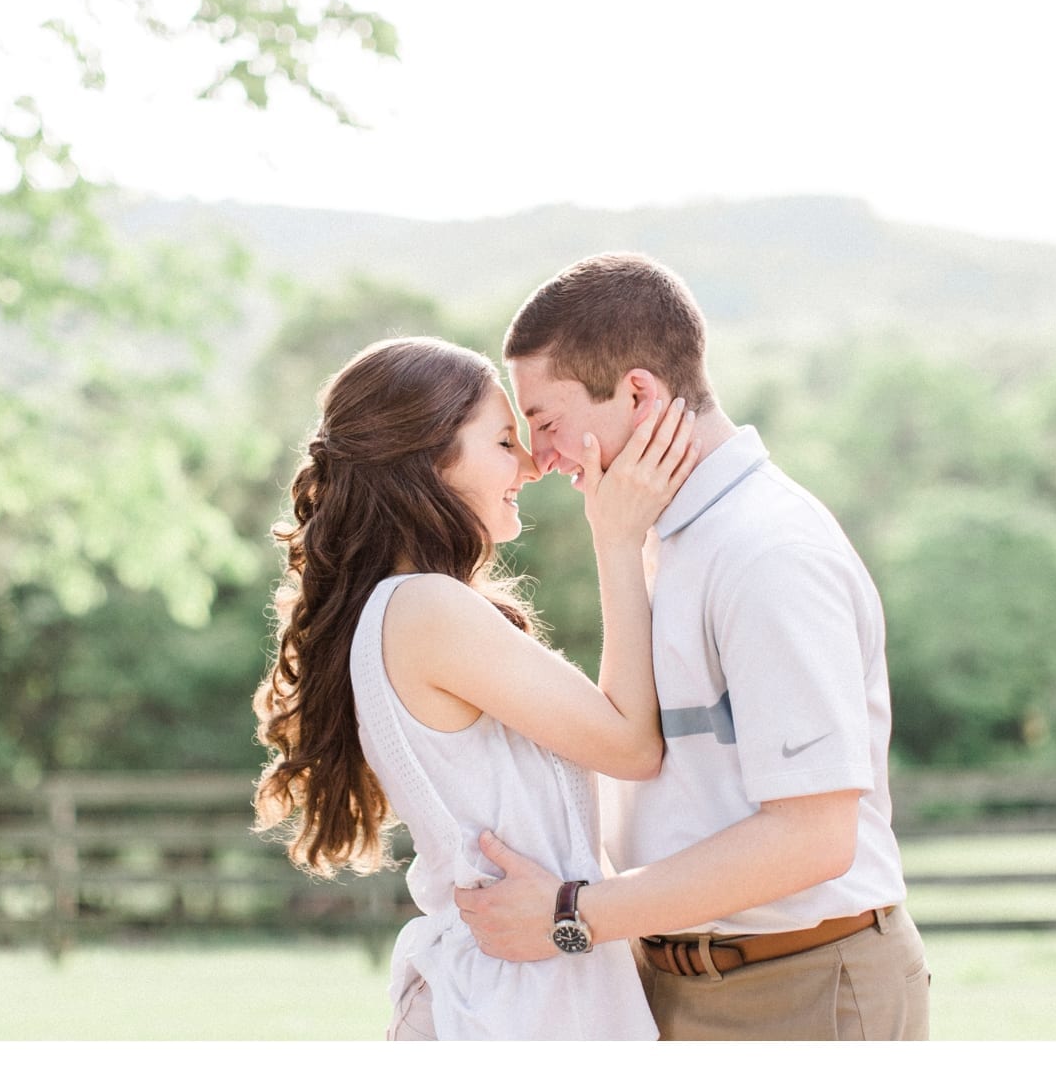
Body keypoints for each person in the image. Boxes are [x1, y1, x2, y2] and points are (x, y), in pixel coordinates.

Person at [454, 253, 931, 1041]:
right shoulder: (656, 537)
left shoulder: (766, 550)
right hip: (674, 983)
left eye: (544, 420)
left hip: (802, 987)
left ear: (637, 393)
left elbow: (813, 834)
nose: (539, 459)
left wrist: (570, 915)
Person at [250, 335, 700, 1040]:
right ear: (431, 461)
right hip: (501, 1010)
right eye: (501, 441)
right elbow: (632, 744)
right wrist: (618, 540)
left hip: (518, 999)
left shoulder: (414, 609)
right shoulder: (427, 609)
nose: (530, 464)